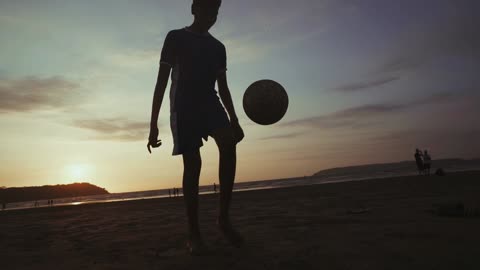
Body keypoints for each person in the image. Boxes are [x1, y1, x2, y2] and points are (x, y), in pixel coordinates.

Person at [147, 0, 244, 254]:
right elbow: (161, 82)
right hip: (184, 107)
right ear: (194, 9)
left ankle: (223, 219)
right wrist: (153, 123)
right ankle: (194, 234)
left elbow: (222, 86)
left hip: (210, 104)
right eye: (206, 9)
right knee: (193, 165)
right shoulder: (175, 38)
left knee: (229, 144)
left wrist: (234, 119)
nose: (211, 15)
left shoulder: (218, 47)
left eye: (215, 11)